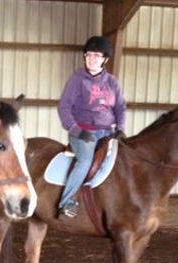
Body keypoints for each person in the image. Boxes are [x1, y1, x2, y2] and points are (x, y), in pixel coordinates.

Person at [57, 35, 127, 219]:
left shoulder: (112, 82)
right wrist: (76, 130)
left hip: (107, 132)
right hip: (82, 131)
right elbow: (64, 107)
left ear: (105, 59)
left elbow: (120, 107)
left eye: (96, 55)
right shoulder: (77, 80)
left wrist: (120, 127)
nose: (91, 59)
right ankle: (67, 203)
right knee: (85, 161)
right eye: (88, 55)